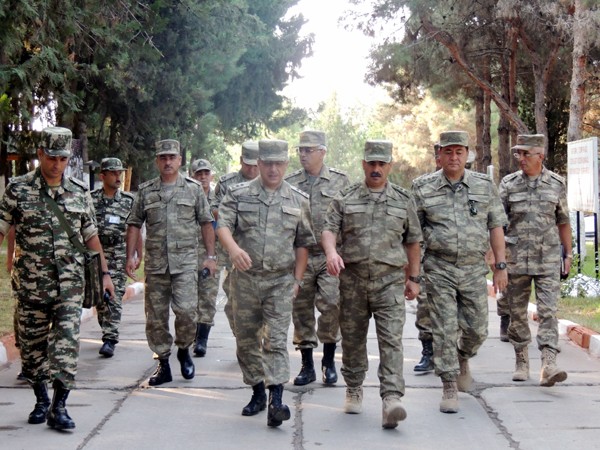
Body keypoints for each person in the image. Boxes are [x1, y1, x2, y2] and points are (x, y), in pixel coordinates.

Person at [0, 126, 114, 430]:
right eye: (52, 158)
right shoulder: (18, 189)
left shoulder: (79, 191)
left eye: (63, 159)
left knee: (66, 342)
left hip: (69, 285)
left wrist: (105, 274)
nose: (57, 164)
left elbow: (91, 236)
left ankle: (59, 406)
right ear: (40, 154)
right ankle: (41, 399)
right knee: (32, 349)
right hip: (31, 286)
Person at [321, 140, 421, 429]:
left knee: (391, 340)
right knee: (353, 339)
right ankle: (354, 387)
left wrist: (414, 278)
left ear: (390, 165)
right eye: (372, 163)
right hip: (352, 281)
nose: (376, 169)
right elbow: (329, 229)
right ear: (363, 164)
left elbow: (413, 241)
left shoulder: (403, 199)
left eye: (382, 164)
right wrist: (331, 252)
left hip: (389, 282)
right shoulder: (346, 197)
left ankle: (391, 398)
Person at [216, 139, 315, 427]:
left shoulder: (298, 200)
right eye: (268, 163)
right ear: (258, 164)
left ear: (286, 164)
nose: (273, 169)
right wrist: (234, 250)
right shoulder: (238, 194)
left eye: (279, 163)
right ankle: (258, 392)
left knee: (276, 340)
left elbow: (303, 244)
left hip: (280, 282)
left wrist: (297, 280)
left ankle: (277, 400)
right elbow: (222, 225)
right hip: (245, 281)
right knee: (246, 339)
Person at [412, 130, 507, 414]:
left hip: (473, 269)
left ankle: (461, 356)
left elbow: (496, 226)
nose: (453, 157)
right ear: (439, 155)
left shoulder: (483, 185)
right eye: (448, 152)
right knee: (444, 328)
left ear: (467, 154)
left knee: (477, 330)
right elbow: (413, 235)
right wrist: (413, 274)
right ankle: (449, 385)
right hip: (438, 268)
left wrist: (500, 266)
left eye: (459, 152)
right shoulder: (422, 187)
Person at [125, 139, 217, 386]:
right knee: (155, 317)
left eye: (172, 157)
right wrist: (130, 256)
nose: (167, 162)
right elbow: (134, 224)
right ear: (157, 161)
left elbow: (206, 223)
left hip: (185, 264)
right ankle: (163, 363)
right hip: (156, 265)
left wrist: (210, 257)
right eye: (163, 158)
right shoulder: (146, 191)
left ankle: (184, 349)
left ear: (179, 160)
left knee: (187, 312)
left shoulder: (193, 189)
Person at [499, 134, 571, 386]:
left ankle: (549, 363)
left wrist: (568, 253)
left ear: (540, 155)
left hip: (547, 258)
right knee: (517, 312)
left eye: (526, 153)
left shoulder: (557, 184)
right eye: (518, 153)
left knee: (548, 311)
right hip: (516, 259)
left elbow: (563, 221)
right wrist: (497, 258)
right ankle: (521, 360)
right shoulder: (508, 184)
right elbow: (497, 223)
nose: (521, 158)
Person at [284, 130, 350, 386]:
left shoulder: (340, 181)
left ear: (322, 152)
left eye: (308, 150)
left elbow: (348, 218)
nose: (303, 154)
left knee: (331, 304)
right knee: (301, 310)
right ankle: (307, 365)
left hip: (328, 256)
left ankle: (329, 361)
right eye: (300, 150)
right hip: (299, 256)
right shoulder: (290, 182)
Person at [211, 141, 259, 334]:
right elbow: (214, 209)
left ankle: (257, 339)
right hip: (231, 248)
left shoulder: (269, 183)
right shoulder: (227, 183)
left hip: (259, 249)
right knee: (233, 301)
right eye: (248, 164)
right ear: (241, 160)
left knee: (260, 301)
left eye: (256, 165)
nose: (252, 169)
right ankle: (243, 336)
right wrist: (234, 216)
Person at [91, 158, 137, 358]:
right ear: (103, 176)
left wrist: (134, 255)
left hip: (117, 253)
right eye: (113, 173)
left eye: (120, 173)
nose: (118, 177)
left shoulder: (128, 201)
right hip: (95, 255)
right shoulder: (90, 200)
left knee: (114, 295)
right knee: (100, 298)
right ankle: (106, 328)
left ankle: (110, 338)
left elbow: (134, 229)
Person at [413, 143, 441, 373]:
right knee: (425, 305)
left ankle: (453, 353)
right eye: (441, 154)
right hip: (426, 257)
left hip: (457, 261)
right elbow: (412, 226)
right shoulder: (422, 186)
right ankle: (428, 351)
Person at [189, 158, 219, 357]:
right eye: (198, 174)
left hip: (212, 254)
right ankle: (191, 334)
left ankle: (202, 340)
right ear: (192, 176)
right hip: (189, 254)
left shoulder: (219, 198)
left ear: (211, 175)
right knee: (189, 298)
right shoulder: (188, 197)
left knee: (208, 297)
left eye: (206, 173)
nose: (202, 177)